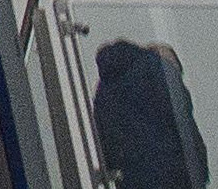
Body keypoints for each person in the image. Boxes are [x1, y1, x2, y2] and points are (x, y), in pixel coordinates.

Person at [89, 34, 208, 188]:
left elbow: (103, 143)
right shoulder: (160, 69)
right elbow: (185, 128)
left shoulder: (105, 89)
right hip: (170, 178)